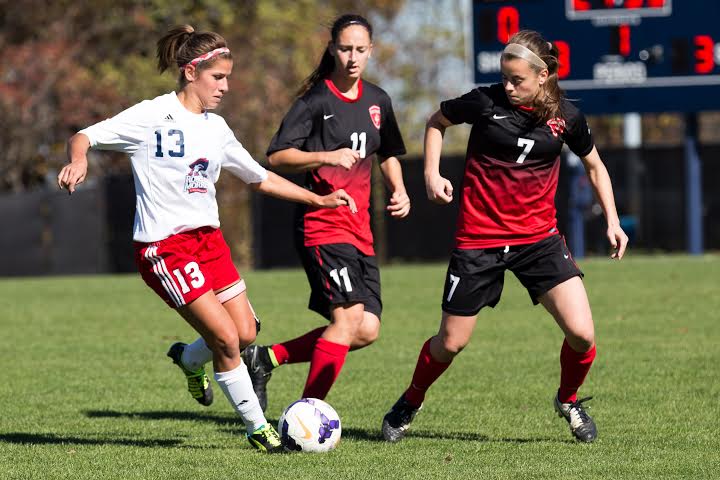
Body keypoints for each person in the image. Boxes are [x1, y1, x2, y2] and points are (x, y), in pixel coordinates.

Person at [57, 25, 356, 453]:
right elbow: (83, 136)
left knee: (247, 332)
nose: (226, 87)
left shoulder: (216, 129)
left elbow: (259, 177)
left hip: (209, 243)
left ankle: (188, 358)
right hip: (165, 248)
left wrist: (317, 199)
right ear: (190, 71)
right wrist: (78, 159)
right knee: (227, 340)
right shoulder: (151, 115)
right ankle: (259, 430)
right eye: (218, 78)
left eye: (228, 77)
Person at [381, 30, 628, 444]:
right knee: (451, 342)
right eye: (506, 78)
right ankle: (410, 400)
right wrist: (431, 173)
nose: (508, 87)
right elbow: (436, 122)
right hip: (479, 240)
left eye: (518, 80)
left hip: (539, 240)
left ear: (543, 76)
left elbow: (595, 166)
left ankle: (569, 400)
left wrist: (613, 221)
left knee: (583, 334)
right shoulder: (485, 101)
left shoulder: (567, 117)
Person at [237, 13, 410, 411]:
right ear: (333, 48)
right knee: (348, 319)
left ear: (371, 51)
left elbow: (389, 154)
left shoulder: (378, 100)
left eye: (360, 50)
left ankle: (266, 358)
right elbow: (277, 156)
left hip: (360, 231)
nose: (352, 57)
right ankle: (307, 413)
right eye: (345, 48)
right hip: (323, 226)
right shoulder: (316, 101)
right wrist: (325, 155)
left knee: (365, 330)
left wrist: (400, 190)